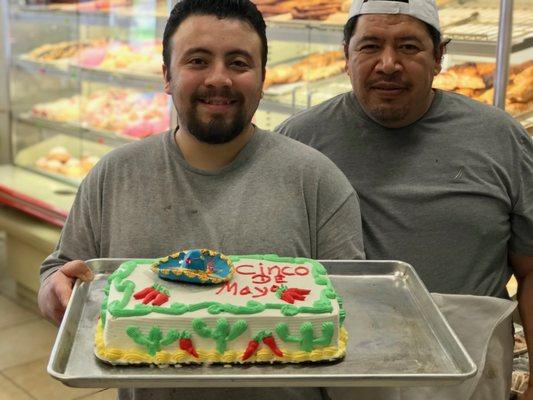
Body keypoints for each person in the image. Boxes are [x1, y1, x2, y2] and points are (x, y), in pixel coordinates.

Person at [37, 0, 364, 399]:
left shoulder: (317, 180)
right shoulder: (114, 175)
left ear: (263, 78)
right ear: (167, 75)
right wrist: (54, 290)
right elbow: (58, 273)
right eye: (197, 60)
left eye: (239, 63)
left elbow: (348, 307)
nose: (219, 79)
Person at [277, 0, 533, 398]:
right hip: (342, 375)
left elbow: (531, 269)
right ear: (345, 56)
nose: (388, 64)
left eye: (409, 47)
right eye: (370, 46)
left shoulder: (500, 139)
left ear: (439, 58)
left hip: (472, 375)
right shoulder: (299, 143)